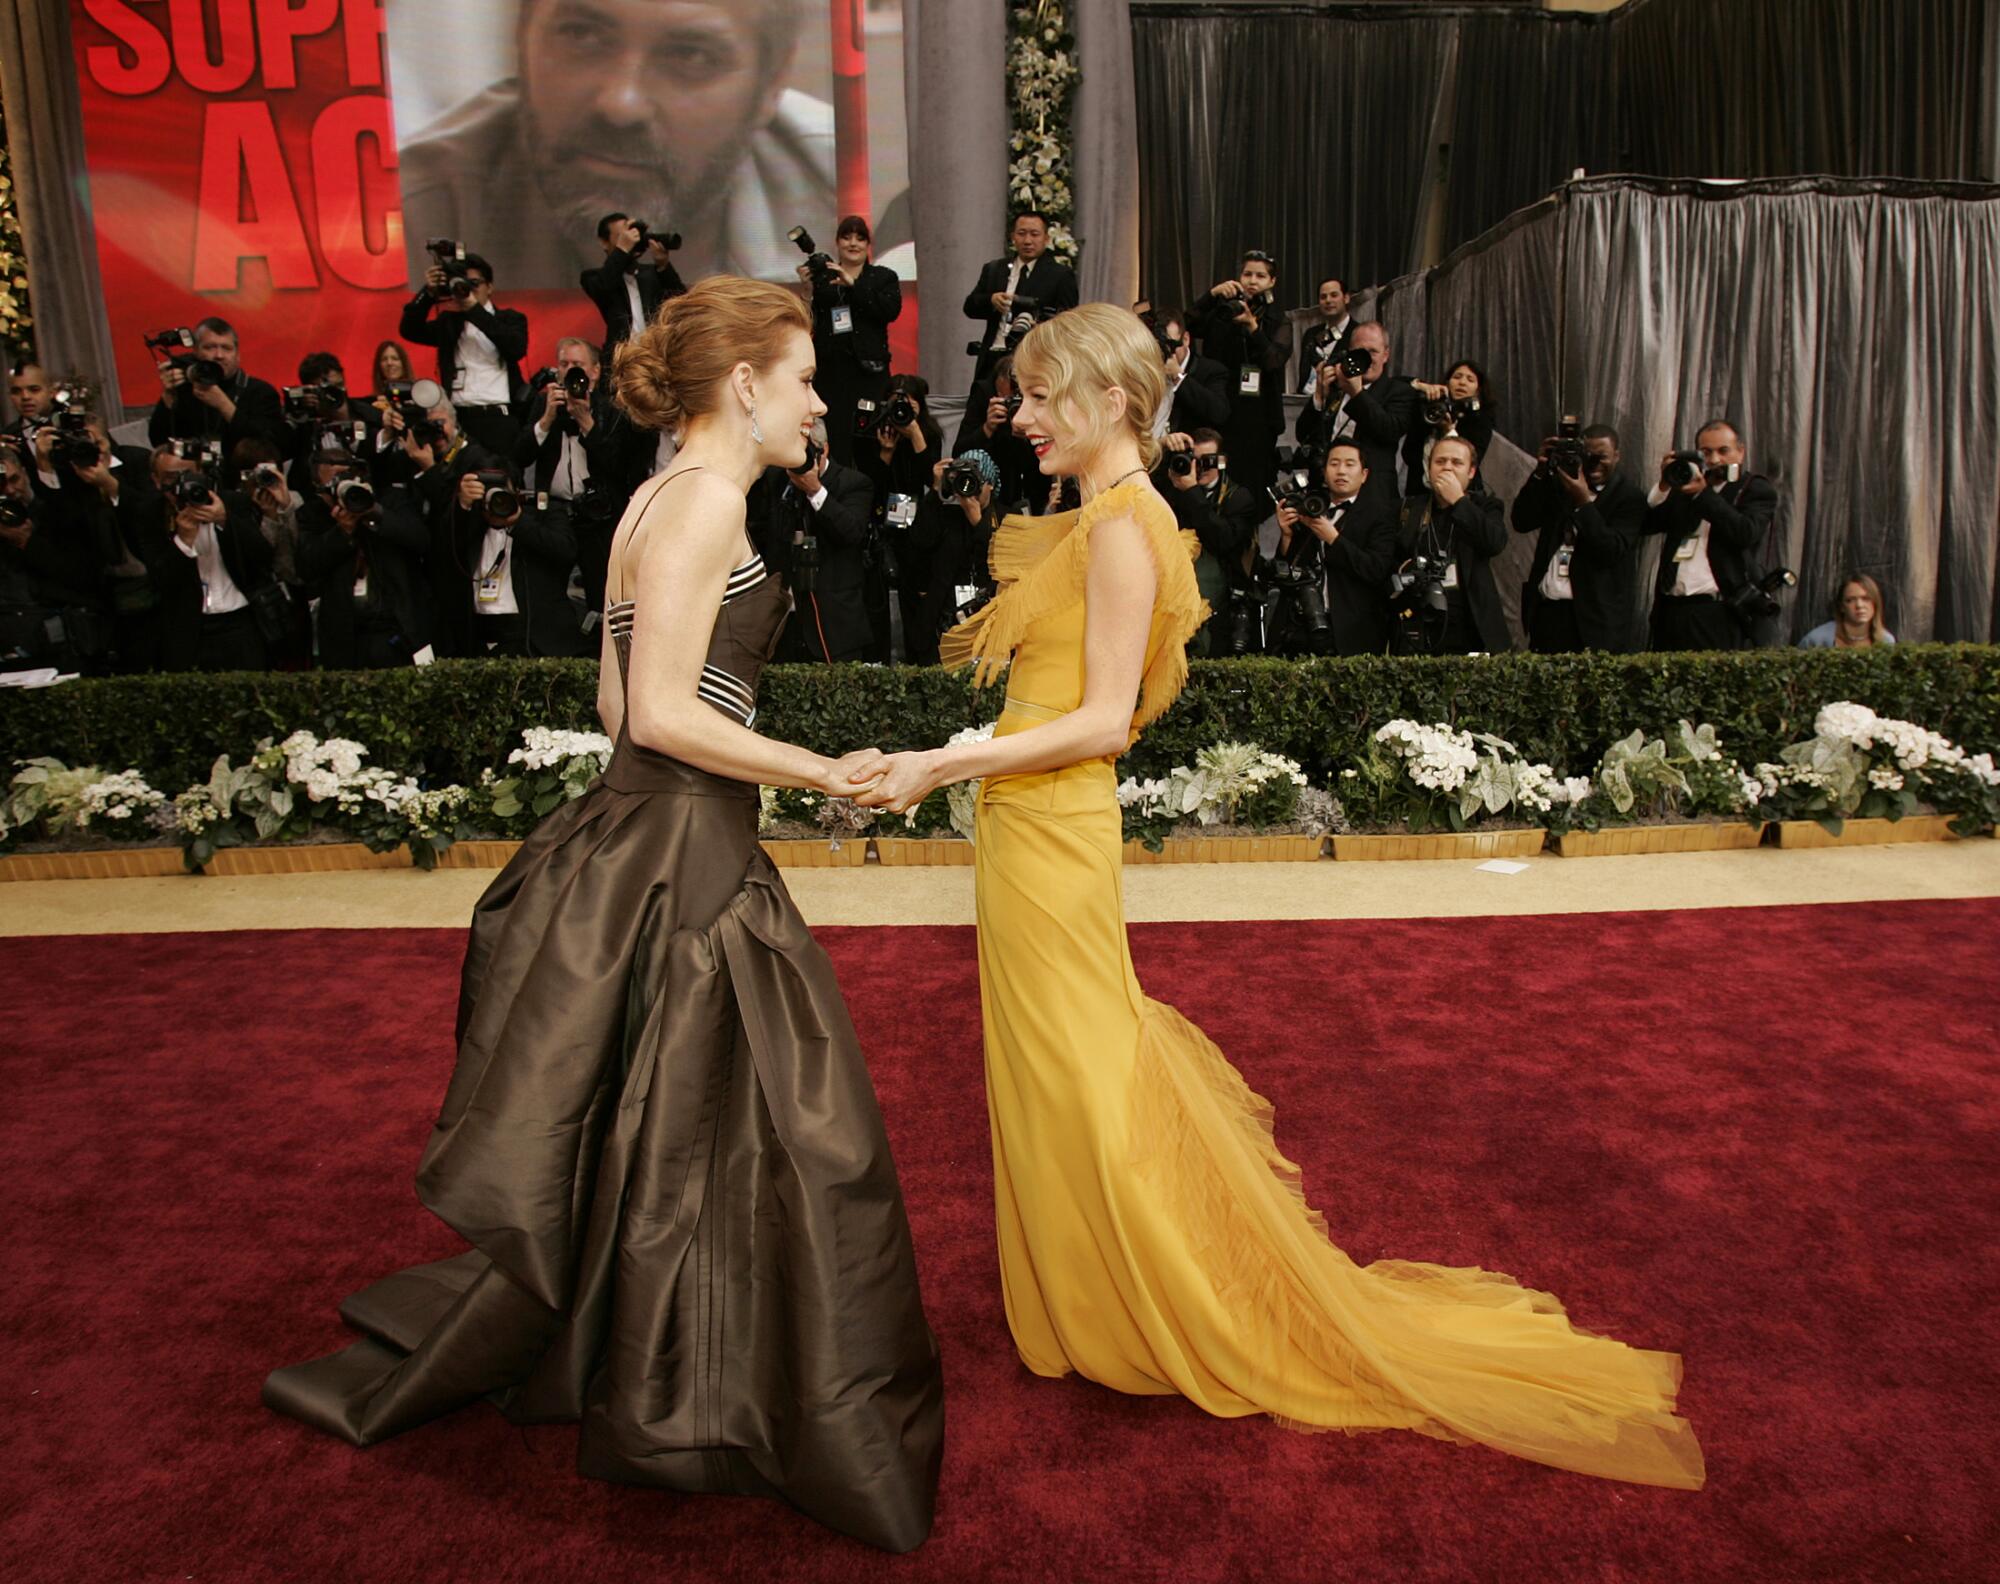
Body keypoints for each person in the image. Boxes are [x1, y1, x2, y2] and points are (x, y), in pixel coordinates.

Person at [852, 302, 1703, 1494]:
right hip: (1038, 821)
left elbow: (1101, 719)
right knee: (1063, 1064)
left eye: (1045, 396)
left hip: (1051, 824)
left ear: (1108, 401)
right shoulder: (1113, 516)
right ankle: (1096, 1288)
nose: (1023, 415)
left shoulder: (1117, 530)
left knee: (1081, 1068)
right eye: (1026, 395)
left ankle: (1146, 1296)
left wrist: (943, 763)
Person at [262, 276, 944, 1554]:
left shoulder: (651, 497)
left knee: (664, 1113)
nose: (817, 403)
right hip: (684, 845)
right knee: (768, 1132)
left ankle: (636, 1342)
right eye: (802, 380)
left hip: (644, 830)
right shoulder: (703, 504)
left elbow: (606, 704)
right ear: (742, 385)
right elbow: (658, 715)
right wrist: (825, 775)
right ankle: (704, 1382)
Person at [394, 0, 837, 288]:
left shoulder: (844, 201)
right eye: (582, 35)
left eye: (690, 55)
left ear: (770, 85)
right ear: (522, 38)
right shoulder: (409, 218)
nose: (621, 104)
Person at [1643, 420, 1780, 651]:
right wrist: (1665, 485)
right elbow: (1647, 524)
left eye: (1723, 451)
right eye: (1706, 452)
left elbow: (1745, 533)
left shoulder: (1754, 489)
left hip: (1718, 611)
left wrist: (1702, 494)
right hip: (1672, 609)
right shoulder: (1685, 487)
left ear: (1741, 451)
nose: (1715, 460)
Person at [1511, 422, 1645, 653]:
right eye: (1587, 456)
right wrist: (1540, 471)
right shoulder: (1560, 486)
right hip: (1548, 615)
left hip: (1595, 623)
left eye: (1600, 457)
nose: (1593, 464)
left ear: (1617, 456)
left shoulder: (1629, 497)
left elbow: (1611, 550)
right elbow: (1521, 521)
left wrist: (1583, 502)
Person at [399, 251, 530, 458]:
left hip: (499, 418)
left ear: (490, 286)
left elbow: (515, 348)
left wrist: (473, 308)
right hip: (460, 419)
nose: (469, 290)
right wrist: (428, 292)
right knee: (460, 483)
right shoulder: (449, 322)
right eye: (463, 284)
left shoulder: (510, 319)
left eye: (475, 283)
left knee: (503, 481)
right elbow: (409, 329)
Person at [1389, 434, 1508, 655]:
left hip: (1468, 624)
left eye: (1457, 462)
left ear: (1471, 472)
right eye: (1440, 461)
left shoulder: (1485, 506)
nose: (1447, 468)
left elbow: (1494, 543)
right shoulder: (1409, 508)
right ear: (1428, 468)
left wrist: (1459, 501)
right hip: (1418, 621)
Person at [1187, 250, 1293, 495]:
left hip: (1257, 416)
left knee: (1250, 483)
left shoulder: (1278, 319)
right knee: (1215, 476)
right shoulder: (1223, 309)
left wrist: (1253, 327)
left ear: (1272, 281)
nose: (1253, 281)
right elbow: (1187, 326)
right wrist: (1211, 296)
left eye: (1261, 276)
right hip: (1220, 409)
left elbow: (1274, 361)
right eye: (1247, 274)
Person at [802, 215, 902, 465]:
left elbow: (890, 311)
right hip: (831, 372)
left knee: (869, 430)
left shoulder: (882, 276)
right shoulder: (823, 279)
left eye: (860, 238)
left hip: (869, 372)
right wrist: (807, 290)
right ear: (837, 243)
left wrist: (853, 284)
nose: (853, 243)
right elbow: (810, 321)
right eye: (846, 237)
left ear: (868, 244)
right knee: (832, 434)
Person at [1297, 321, 1413, 516]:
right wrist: (1319, 394)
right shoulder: (1335, 389)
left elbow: (1389, 430)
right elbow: (1303, 433)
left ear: (1386, 355)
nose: (1366, 358)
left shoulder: (1399, 392)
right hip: (1325, 495)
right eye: (1359, 351)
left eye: (1373, 352)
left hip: (1373, 497)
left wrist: (1357, 392)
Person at [145, 318, 286, 466]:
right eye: (210, 347)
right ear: (196, 352)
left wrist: (224, 405)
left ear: (237, 355)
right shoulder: (183, 389)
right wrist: (167, 398)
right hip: (194, 476)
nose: (219, 355)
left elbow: (271, 447)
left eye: (226, 348)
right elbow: (158, 441)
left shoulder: (261, 392)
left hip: (241, 477)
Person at [963, 211, 1081, 384]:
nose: (1027, 241)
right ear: (1013, 237)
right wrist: (991, 300)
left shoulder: (1060, 275)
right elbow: (969, 307)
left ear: (1046, 239)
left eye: (1034, 234)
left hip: (1033, 360)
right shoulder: (995, 269)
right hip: (992, 359)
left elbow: (1068, 320)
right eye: (1021, 233)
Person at [580, 213, 688, 354]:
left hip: (656, 356)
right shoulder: (593, 277)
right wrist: (623, 249)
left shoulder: (653, 274)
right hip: (621, 358)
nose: (631, 241)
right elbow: (604, 286)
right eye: (622, 236)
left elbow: (680, 302)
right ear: (604, 242)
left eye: (633, 236)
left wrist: (663, 266)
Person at [1401, 361, 1496, 497]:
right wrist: (1422, 387)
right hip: (1420, 494)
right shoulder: (1430, 411)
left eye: (1470, 379)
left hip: (1460, 495)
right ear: (1447, 383)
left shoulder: (1481, 420)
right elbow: (1408, 454)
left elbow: (1472, 460)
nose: (1462, 383)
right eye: (1457, 377)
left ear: (1478, 389)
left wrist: (1448, 432)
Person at [1799, 573, 1895, 647]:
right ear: (1842, 607)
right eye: (1850, 600)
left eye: (1866, 599)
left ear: (1875, 603)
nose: (1859, 605)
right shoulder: (1816, 641)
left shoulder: (1886, 641)